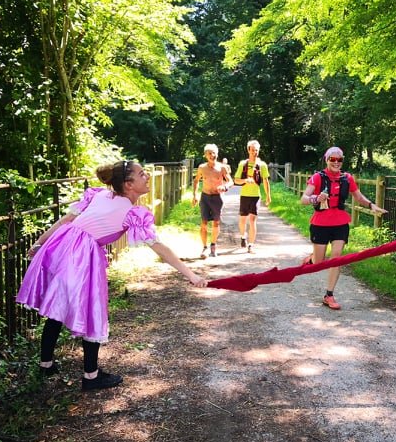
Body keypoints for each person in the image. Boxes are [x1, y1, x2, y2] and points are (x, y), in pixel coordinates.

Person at [17, 160, 208, 391]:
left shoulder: (101, 196)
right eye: (141, 174)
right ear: (128, 184)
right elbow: (158, 247)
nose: (146, 176)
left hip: (61, 247)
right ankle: (90, 376)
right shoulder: (130, 212)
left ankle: (46, 365)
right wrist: (191, 275)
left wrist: (39, 243)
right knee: (92, 312)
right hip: (80, 255)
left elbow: (66, 221)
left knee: (57, 308)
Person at [300, 146, 388, 310]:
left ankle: (329, 295)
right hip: (320, 223)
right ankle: (312, 259)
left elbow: (358, 196)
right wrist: (315, 198)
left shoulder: (347, 178)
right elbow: (303, 199)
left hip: (340, 222)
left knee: (337, 257)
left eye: (339, 159)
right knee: (319, 262)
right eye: (332, 159)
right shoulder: (318, 178)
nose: (336, 162)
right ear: (326, 160)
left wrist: (371, 205)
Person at [192, 144, 233, 258]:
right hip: (205, 197)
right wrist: (195, 195)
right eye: (209, 153)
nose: (212, 155)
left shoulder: (222, 168)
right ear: (205, 155)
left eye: (214, 153)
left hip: (217, 198)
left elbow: (230, 181)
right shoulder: (202, 168)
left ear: (217, 154)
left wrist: (224, 187)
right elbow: (196, 181)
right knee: (204, 222)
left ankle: (213, 245)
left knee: (216, 222)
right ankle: (204, 248)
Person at [233, 139, 271, 253]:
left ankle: (251, 245)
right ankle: (243, 236)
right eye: (252, 150)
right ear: (248, 150)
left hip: (256, 196)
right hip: (244, 195)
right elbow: (236, 180)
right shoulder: (242, 164)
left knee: (253, 220)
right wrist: (245, 180)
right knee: (243, 220)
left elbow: (265, 181)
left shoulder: (262, 165)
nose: (254, 152)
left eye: (256, 150)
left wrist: (268, 195)